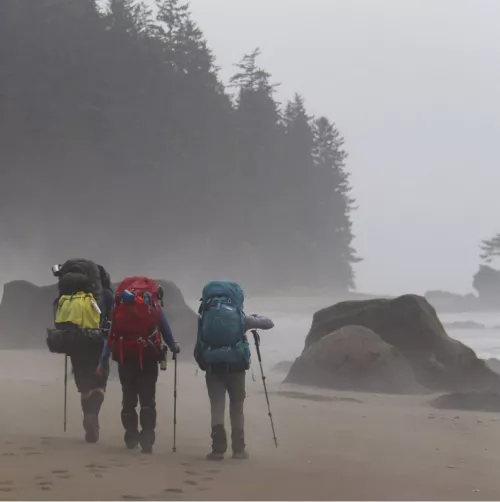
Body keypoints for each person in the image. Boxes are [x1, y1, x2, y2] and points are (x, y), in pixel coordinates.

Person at [97, 276, 180, 454]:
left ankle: (131, 435)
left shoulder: (119, 309)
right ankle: (147, 437)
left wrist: (102, 363)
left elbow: (110, 337)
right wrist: (175, 348)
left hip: (125, 358)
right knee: (147, 399)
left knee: (128, 398)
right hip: (148, 358)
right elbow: (167, 333)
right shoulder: (155, 309)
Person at [194, 281, 274, 461]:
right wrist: (254, 317)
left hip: (213, 368)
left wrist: (204, 363)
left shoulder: (205, 317)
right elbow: (269, 324)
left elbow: (199, 344)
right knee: (236, 408)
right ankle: (238, 449)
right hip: (236, 369)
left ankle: (217, 449)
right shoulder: (241, 318)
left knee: (217, 406)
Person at [49, 259, 114, 443]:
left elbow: (58, 320)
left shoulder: (63, 296)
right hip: (98, 344)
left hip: (75, 343)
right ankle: (93, 415)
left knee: (84, 384)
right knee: (99, 384)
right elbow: (111, 318)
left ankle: (88, 416)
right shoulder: (105, 295)